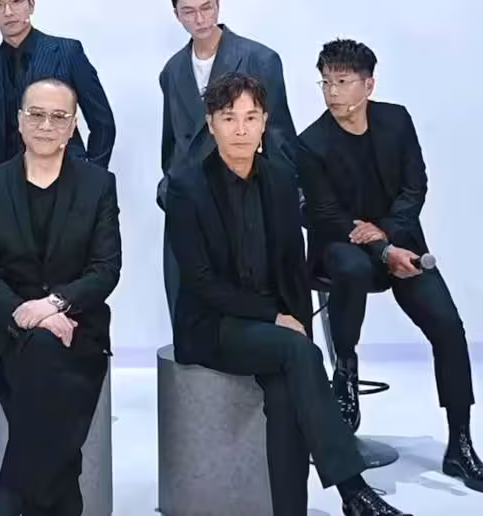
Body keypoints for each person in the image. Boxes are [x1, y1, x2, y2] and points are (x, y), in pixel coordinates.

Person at [166, 72, 409, 515]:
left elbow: (292, 267)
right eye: (229, 118)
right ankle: (354, 492)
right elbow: (200, 282)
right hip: (215, 324)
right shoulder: (186, 187)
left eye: (251, 117)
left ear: (265, 122)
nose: (241, 129)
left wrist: (296, 324)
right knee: (297, 354)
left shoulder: (280, 178)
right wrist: (276, 320)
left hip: (273, 327)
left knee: (286, 392)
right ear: (211, 123)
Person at [298, 38, 483, 492]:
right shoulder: (311, 143)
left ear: (368, 85)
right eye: (325, 83)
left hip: (400, 242)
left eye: (342, 82)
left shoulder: (396, 120)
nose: (332, 92)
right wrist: (380, 248)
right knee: (353, 269)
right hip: (339, 245)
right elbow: (324, 213)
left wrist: (386, 235)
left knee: (448, 325)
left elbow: (414, 186)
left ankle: (460, 444)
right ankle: (345, 367)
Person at [0, 78, 121, 516]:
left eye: (58, 117)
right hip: (11, 334)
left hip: (80, 331)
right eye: (36, 114)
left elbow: (105, 269)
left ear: (73, 127)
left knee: (45, 358)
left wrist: (53, 305)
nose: (46, 125)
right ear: (19, 121)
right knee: (43, 362)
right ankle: (47, 500)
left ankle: (9, 496)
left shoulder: (97, 184)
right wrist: (24, 312)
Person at [158, 0, 297, 316]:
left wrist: (281, 195)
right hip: (193, 195)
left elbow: (279, 135)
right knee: (189, 291)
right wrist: (170, 188)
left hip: (246, 191)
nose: (199, 19)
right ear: (176, 15)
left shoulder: (260, 59)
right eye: (189, 11)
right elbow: (172, 141)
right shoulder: (172, 70)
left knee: (262, 292)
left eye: (206, 8)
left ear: (218, 5)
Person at [0, 0, 116, 169]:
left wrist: (92, 176)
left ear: (31, 5)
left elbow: (102, 123)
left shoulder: (67, 52)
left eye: (16, 2)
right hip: (1, 180)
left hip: (65, 175)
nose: (8, 12)